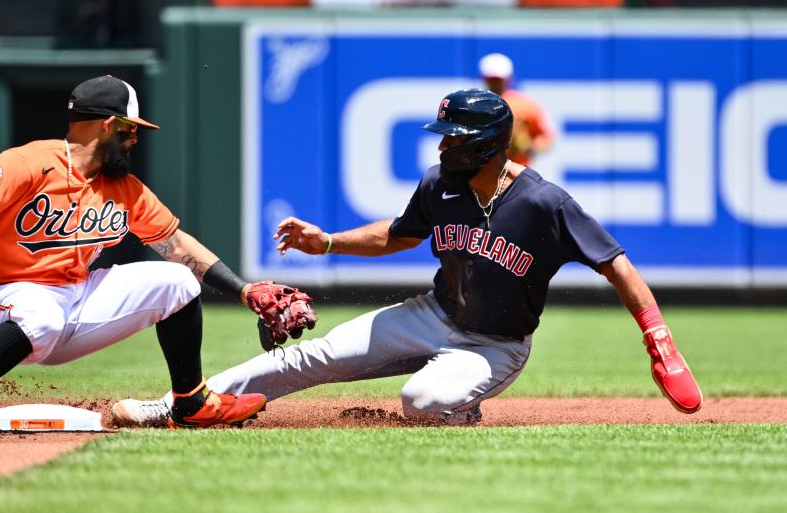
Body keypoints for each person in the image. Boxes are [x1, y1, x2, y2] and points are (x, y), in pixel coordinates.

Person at [111, 89, 702, 427]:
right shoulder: (440, 183)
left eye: (453, 137)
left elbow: (617, 264)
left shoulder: (543, 202)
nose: (441, 144)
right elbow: (400, 235)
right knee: (309, 359)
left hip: (497, 345)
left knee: (423, 402)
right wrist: (329, 242)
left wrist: (661, 345)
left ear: (487, 146)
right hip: (432, 314)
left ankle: (457, 405)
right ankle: (181, 403)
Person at [0, 75, 305, 433]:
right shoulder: (29, 162)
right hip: (6, 301)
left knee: (178, 281)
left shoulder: (123, 188)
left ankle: (191, 403)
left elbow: (176, 245)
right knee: (41, 315)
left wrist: (242, 289)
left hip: (77, 299)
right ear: (108, 125)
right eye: (129, 129)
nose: (134, 139)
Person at [478, 52, 552, 166]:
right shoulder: (474, 105)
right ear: (484, 79)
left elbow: (545, 138)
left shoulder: (525, 106)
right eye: (492, 79)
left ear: (509, 79)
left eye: (498, 79)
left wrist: (529, 147)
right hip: (481, 172)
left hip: (517, 172)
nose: (495, 83)